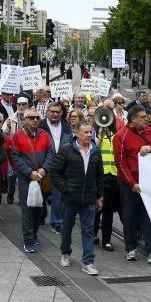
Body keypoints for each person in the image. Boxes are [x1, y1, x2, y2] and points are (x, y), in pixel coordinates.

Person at [113, 105, 151, 264]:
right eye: (143, 117)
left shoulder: (148, 132)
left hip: (147, 180)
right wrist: (131, 183)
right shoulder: (120, 136)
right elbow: (120, 163)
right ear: (133, 119)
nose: (146, 120)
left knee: (148, 214)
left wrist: (150, 147)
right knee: (130, 215)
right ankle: (131, 247)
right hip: (129, 182)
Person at [49, 121, 104, 275]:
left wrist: (99, 196)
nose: (89, 135)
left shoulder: (95, 151)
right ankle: (65, 253)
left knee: (88, 230)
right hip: (70, 198)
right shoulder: (67, 150)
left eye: (91, 132)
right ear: (77, 133)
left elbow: (99, 176)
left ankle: (88, 262)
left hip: (89, 199)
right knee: (66, 227)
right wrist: (65, 188)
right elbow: (54, 172)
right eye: (86, 132)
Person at [11, 108, 55, 253]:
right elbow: (16, 157)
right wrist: (30, 173)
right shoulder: (18, 136)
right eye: (31, 118)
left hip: (42, 177)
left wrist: (44, 170)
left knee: (40, 209)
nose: (35, 120)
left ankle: (34, 233)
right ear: (25, 119)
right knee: (28, 210)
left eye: (37, 117)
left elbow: (51, 153)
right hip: (26, 179)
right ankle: (28, 239)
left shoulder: (45, 134)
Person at [39, 102, 72, 234]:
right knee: (41, 195)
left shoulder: (67, 127)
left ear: (61, 113)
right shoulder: (40, 125)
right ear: (47, 112)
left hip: (60, 166)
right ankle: (40, 217)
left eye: (57, 112)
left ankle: (57, 222)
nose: (54, 114)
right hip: (43, 165)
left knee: (58, 196)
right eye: (52, 111)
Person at [95, 114, 121, 252]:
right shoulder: (97, 133)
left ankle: (106, 240)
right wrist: (100, 134)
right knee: (98, 209)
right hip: (101, 175)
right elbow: (95, 148)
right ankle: (93, 234)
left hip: (114, 175)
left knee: (108, 210)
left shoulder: (117, 135)